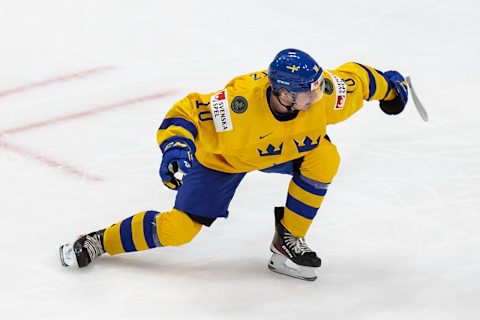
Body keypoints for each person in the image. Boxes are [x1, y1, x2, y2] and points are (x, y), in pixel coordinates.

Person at [59, 48, 408, 281]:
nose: (317, 97)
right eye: (307, 94)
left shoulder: (324, 95)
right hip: (223, 160)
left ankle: (288, 240)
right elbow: (186, 112)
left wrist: (390, 88)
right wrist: (176, 145)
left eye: (317, 89)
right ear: (283, 93)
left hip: (283, 147)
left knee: (325, 157)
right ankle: (99, 241)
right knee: (178, 230)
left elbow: (358, 78)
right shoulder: (238, 106)